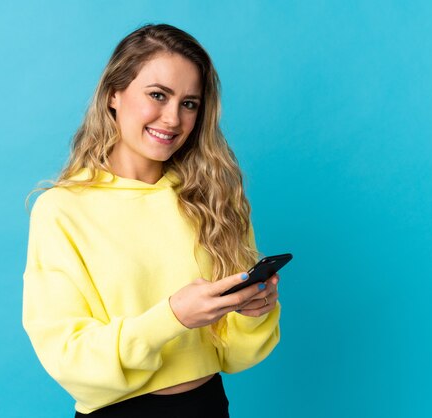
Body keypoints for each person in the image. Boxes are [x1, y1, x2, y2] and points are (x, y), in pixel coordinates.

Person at [22, 23, 281, 417]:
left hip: (208, 405)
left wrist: (253, 313)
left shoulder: (213, 200)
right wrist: (172, 317)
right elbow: (69, 358)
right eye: (158, 95)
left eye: (189, 103)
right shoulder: (62, 210)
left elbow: (236, 356)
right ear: (114, 94)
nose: (173, 119)